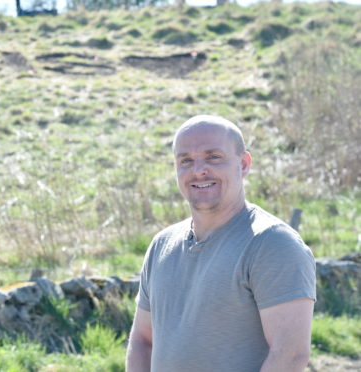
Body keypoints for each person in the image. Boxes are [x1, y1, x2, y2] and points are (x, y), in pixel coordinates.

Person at [126, 115, 316, 372]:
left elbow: (290, 355)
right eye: (186, 161)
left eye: (213, 157)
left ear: (244, 164)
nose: (198, 170)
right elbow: (143, 341)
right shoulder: (162, 245)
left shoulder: (273, 245)